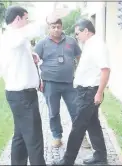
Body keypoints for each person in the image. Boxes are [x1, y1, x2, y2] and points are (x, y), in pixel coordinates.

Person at [52, 18, 110, 165]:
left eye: (78, 33)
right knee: (93, 124)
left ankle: (67, 160)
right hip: (85, 91)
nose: (76, 36)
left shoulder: (97, 45)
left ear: (86, 31)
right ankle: (100, 156)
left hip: (89, 92)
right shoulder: (90, 44)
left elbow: (105, 70)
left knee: (78, 127)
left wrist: (99, 92)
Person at [0, 5, 47, 165]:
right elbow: (33, 31)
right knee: (34, 138)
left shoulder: (15, 38)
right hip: (22, 96)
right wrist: (48, 19)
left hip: (21, 95)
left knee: (20, 136)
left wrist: (31, 56)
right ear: (18, 19)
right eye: (26, 18)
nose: (28, 22)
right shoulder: (12, 35)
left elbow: (19, 56)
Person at [34, 17, 82, 148]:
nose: (56, 29)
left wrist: (80, 75)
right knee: (53, 112)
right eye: (53, 27)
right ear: (49, 28)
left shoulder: (71, 42)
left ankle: (80, 137)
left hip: (69, 83)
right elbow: (33, 62)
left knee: (76, 110)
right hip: (50, 84)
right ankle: (57, 136)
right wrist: (38, 80)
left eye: (58, 27)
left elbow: (79, 58)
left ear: (62, 27)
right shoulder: (42, 44)